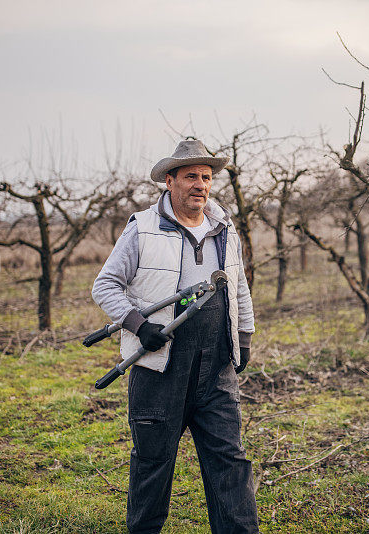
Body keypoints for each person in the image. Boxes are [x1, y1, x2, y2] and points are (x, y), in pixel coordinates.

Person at [91, 139, 259, 533]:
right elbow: (106, 285)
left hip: (216, 366)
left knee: (230, 461)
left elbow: (239, 287)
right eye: (190, 177)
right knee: (153, 463)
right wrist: (138, 324)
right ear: (169, 181)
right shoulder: (143, 227)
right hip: (160, 368)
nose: (200, 184)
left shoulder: (224, 228)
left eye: (206, 177)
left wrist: (245, 336)